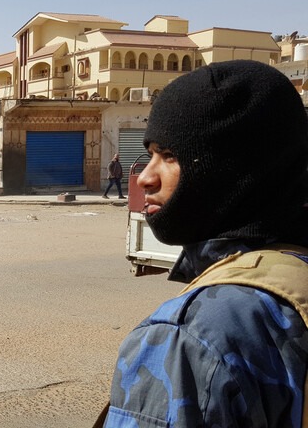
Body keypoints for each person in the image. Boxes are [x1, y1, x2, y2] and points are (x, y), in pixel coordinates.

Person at [101, 60, 308, 427]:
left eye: (170, 155)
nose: (145, 177)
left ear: (231, 170)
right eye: (150, 154)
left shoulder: (191, 336)